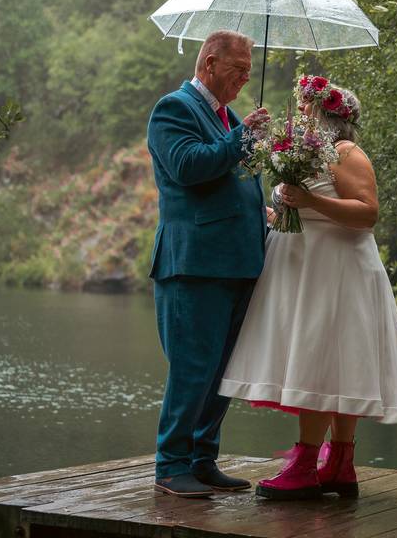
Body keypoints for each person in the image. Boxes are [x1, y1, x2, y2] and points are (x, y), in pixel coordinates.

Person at [218, 75, 397, 500]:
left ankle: (306, 463)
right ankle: (339, 463)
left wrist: (309, 202)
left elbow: (366, 213)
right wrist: (277, 216)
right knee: (333, 361)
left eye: (310, 109)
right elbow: (305, 214)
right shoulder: (306, 153)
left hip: (337, 272)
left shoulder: (347, 153)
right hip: (306, 269)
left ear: (330, 116)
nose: (303, 114)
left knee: (321, 360)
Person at [146, 30, 272, 498]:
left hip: (237, 263)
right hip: (194, 265)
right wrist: (242, 137)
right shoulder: (173, 109)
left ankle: (202, 460)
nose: (244, 77)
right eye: (238, 68)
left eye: (248, 70)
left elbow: (233, 181)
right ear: (209, 64)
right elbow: (187, 167)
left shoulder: (227, 116)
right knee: (193, 369)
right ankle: (171, 464)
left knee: (223, 371)